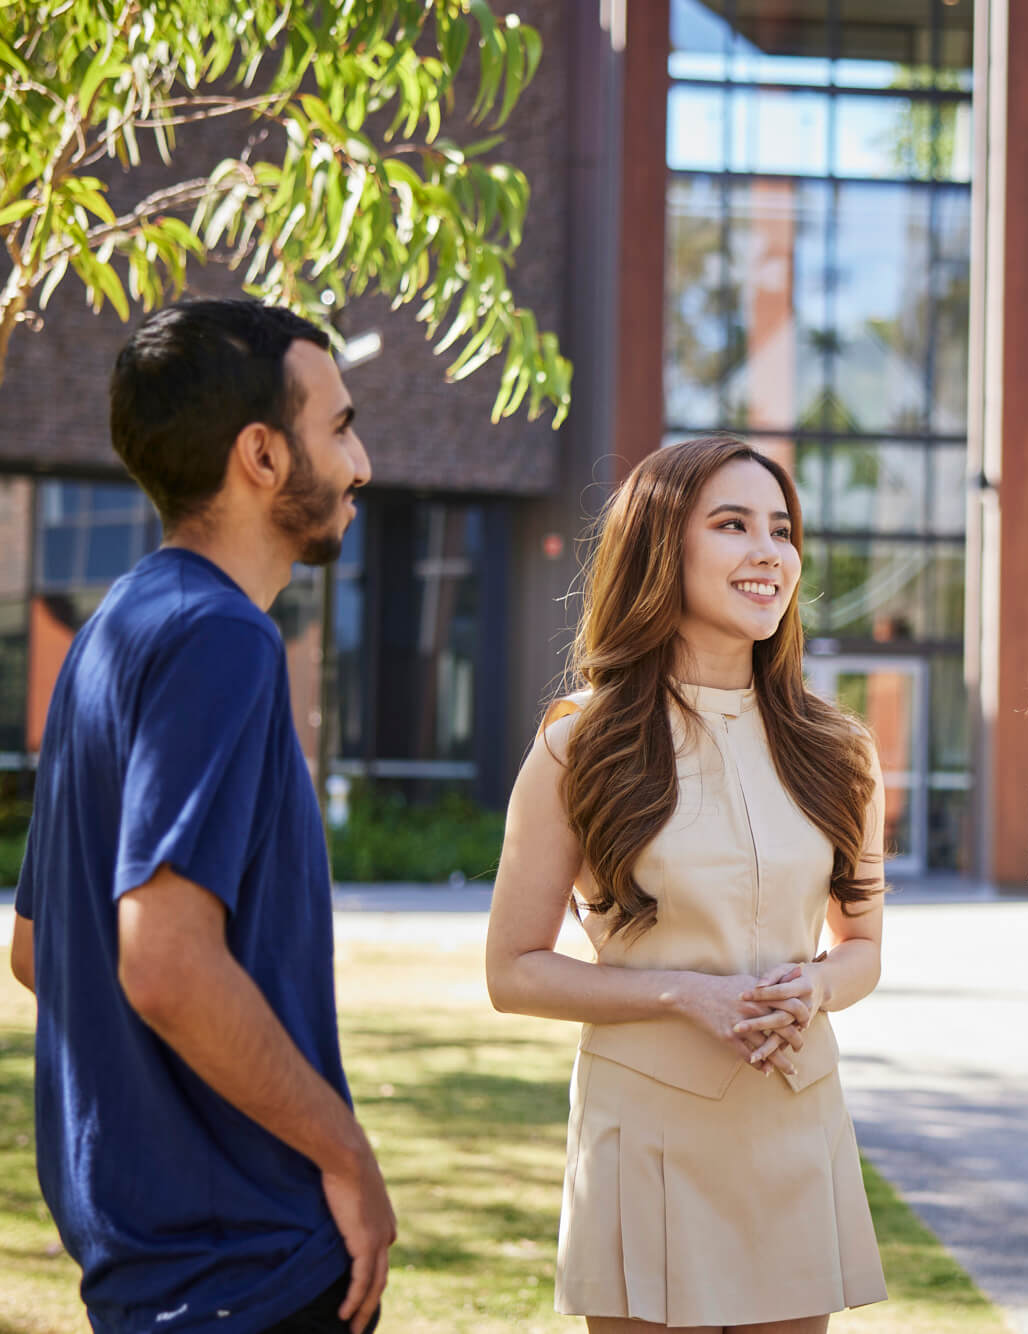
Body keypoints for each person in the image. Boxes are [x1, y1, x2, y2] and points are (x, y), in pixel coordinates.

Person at [7, 300, 392, 1334]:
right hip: (248, 1269)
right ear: (262, 454)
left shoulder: (111, 632)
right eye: (340, 425)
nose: (361, 463)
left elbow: (39, 950)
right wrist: (346, 1156)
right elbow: (165, 961)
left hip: (145, 1270)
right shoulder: (223, 639)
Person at [485, 436, 889, 1333]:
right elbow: (512, 970)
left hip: (794, 1122)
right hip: (647, 1133)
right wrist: (682, 994)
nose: (768, 552)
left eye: (781, 529)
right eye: (733, 524)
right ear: (663, 545)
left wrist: (816, 986)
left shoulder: (840, 751)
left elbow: (862, 951)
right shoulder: (578, 745)